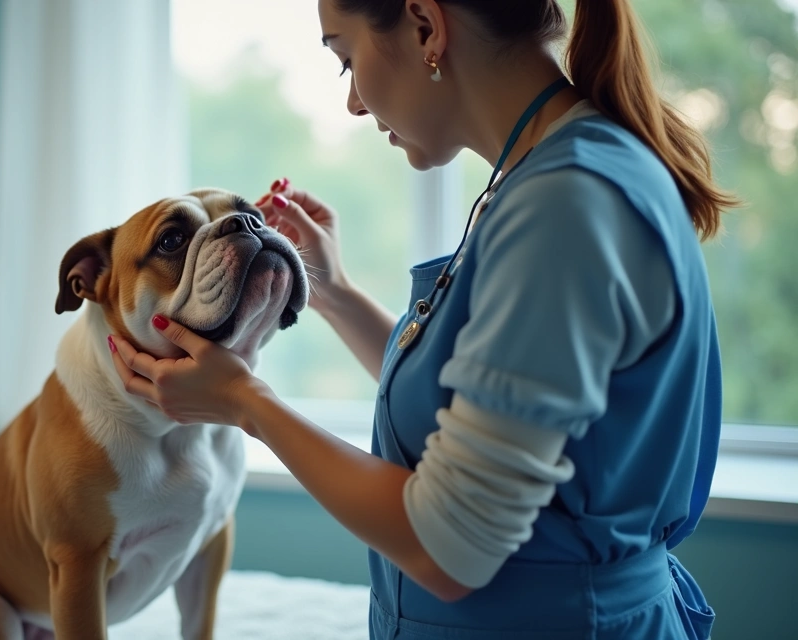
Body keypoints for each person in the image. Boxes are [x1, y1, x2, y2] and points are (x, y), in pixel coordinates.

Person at [108, 0, 737, 637]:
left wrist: (247, 404)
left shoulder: (562, 207)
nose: (353, 102)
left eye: (345, 59)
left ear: (425, 27)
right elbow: (479, 403)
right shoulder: (545, 175)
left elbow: (449, 546)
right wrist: (335, 295)